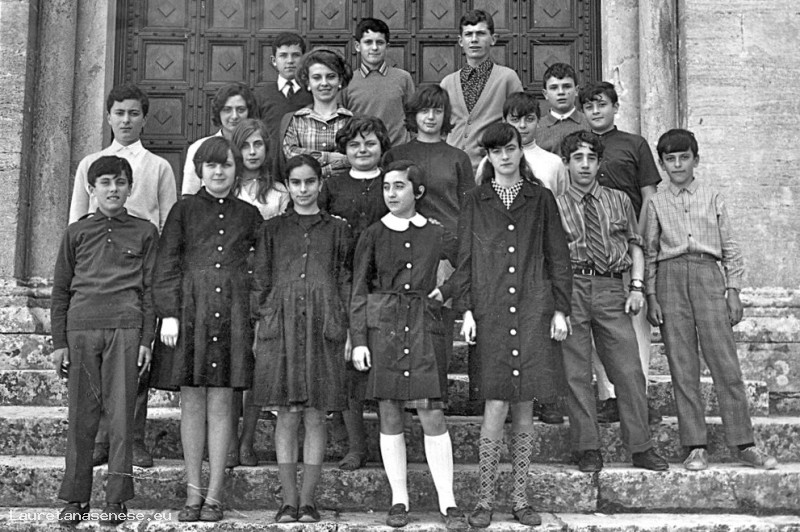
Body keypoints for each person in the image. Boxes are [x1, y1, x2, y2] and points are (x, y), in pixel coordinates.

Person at [449, 123, 572, 528]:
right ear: (488, 156)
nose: (504, 157)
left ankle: (520, 498)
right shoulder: (475, 200)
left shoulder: (541, 198)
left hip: (534, 308)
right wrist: (466, 310)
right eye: (496, 151)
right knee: (496, 401)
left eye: (511, 149)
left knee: (524, 404)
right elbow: (464, 259)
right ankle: (484, 500)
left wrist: (560, 309)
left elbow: (558, 256)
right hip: (491, 309)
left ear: (521, 151)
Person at [645, 129, 778, 472]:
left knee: (725, 361)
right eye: (670, 159)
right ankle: (695, 446)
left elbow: (730, 247)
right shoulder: (656, 202)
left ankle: (744, 443)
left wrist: (733, 290)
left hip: (708, 275)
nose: (678, 165)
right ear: (662, 164)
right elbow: (649, 253)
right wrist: (651, 295)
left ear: (696, 160)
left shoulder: (712, 196)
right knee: (682, 364)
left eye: (684, 157)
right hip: (670, 278)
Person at [150, 137, 261, 522]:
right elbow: (166, 264)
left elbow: (262, 268)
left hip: (232, 314)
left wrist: (253, 313)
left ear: (236, 170)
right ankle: (192, 493)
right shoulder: (183, 210)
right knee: (193, 402)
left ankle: (214, 496)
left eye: (226, 165)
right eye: (211, 165)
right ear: (199, 170)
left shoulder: (249, 215)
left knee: (222, 402)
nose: (218, 172)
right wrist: (169, 314)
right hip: (190, 313)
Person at [350, 160, 466, 529]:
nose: (391, 193)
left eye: (399, 186)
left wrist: (446, 290)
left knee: (432, 412)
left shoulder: (435, 232)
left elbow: (469, 263)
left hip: (422, 326)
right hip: (384, 327)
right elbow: (358, 290)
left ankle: (447, 502)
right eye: (386, 187)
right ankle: (399, 499)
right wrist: (359, 340)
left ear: (418, 192)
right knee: (389, 412)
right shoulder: (373, 234)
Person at [68, 83, 176, 469]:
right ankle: (101, 439)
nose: (126, 120)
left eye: (133, 113)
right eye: (119, 113)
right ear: (108, 117)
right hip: (99, 271)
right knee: (98, 365)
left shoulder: (158, 167)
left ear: (144, 118)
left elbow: (168, 222)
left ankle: (133, 438)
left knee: (136, 361)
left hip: (140, 265)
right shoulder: (91, 163)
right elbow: (78, 219)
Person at [555, 131, 669, 473]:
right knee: (575, 372)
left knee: (629, 369)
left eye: (591, 158)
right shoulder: (554, 204)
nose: (585, 165)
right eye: (578, 158)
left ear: (600, 163)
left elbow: (635, 245)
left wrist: (637, 287)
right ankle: (587, 447)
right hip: (571, 287)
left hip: (610, 287)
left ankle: (641, 446)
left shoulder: (618, 200)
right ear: (566, 163)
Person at [53, 156, 158, 526]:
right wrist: (59, 342)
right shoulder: (76, 233)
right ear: (91, 189)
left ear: (130, 188)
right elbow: (61, 290)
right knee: (81, 417)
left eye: (120, 182)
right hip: (82, 329)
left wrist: (147, 339)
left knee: (121, 418)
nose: (113, 189)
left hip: (125, 329)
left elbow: (150, 291)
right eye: (105, 183)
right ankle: (76, 498)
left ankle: (116, 499)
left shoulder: (145, 232)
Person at [251, 155, 353, 523]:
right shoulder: (272, 230)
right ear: (288, 186)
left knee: (315, 414)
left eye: (310, 182)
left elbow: (346, 280)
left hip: (324, 324)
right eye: (296, 183)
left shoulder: (338, 230)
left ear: (320, 184)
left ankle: (308, 501)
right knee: (286, 414)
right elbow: (260, 281)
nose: (303, 189)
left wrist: (348, 329)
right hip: (281, 325)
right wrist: (260, 325)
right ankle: (288, 500)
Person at [383, 85, 475, 410]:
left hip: (445, 253)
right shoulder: (397, 156)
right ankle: (403, 399)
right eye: (424, 110)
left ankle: (435, 399)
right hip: (405, 247)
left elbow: (468, 209)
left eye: (437, 110)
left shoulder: (458, 158)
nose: (431, 117)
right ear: (414, 115)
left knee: (438, 326)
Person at [578, 81, 663, 425]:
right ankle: (609, 396)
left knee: (635, 324)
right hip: (590, 252)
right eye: (589, 106)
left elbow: (649, 194)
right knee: (599, 327)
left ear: (615, 107)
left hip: (628, 246)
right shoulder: (579, 147)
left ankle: (637, 396)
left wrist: (636, 239)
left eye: (602, 104)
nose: (596, 111)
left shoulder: (634, 144)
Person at [318, 116, 391, 471]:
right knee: (348, 366)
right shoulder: (333, 185)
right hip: (343, 281)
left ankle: (392, 443)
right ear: (344, 150)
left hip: (385, 283)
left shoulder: (391, 182)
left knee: (385, 362)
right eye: (354, 145)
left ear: (382, 146)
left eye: (370, 143)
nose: (363, 150)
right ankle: (355, 445)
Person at [226, 118, 290, 467]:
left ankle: (247, 440)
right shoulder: (227, 188)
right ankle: (226, 438)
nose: (252, 152)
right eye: (245, 145)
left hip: (265, 284)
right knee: (230, 363)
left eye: (258, 145)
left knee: (256, 364)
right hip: (231, 285)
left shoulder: (279, 193)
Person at [440, 9, 523, 171]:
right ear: (460, 41)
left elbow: (518, 123)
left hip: (491, 168)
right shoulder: (447, 83)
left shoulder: (507, 78)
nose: (474, 39)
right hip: (451, 168)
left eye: (481, 33)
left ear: (493, 39)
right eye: (468, 34)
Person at [476, 91, 568, 197]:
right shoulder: (490, 161)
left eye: (529, 119)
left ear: (538, 121)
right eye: (515, 120)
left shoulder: (554, 163)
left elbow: (563, 203)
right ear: (504, 122)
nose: (522, 125)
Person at [341, 18, 415, 147]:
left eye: (380, 42)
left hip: (398, 151)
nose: (374, 48)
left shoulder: (403, 78)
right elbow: (341, 122)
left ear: (387, 46)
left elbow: (413, 117)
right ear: (357, 46)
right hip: (362, 152)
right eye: (368, 42)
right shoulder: (347, 80)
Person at [283, 48, 354, 178]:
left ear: (340, 81)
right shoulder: (295, 120)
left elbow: (354, 158)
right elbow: (291, 155)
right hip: (305, 188)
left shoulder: (352, 121)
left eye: (331, 76)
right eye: (317, 77)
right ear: (308, 83)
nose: (324, 83)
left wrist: (312, 160)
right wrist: (330, 158)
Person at [182, 83, 258, 196]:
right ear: (218, 112)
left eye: (241, 110)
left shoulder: (257, 148)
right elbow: (189, 194)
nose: (234, 116)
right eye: (227, 110)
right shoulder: (200, 147)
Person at [254, 33, 313, 139]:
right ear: (274, 61)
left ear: (304, 59)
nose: (290, 61)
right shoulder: (260, 96)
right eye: (283, 55)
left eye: (296, 55)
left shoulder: (312, 93)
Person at [533, 63, 590, 155]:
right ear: (545, 94)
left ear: (576, 90)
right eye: (554, 88)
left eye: (567, 86)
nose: (561, 92)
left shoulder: (589, 123)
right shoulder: (536, 128)